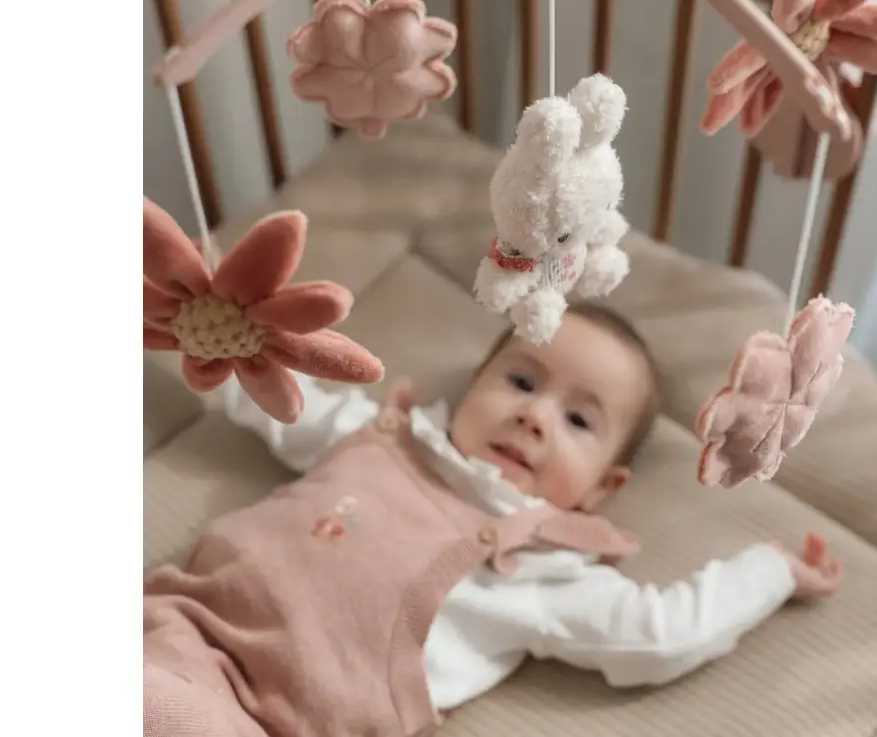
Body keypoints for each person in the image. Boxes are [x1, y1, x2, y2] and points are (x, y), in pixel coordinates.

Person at [144, 302, 841, 737]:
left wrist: (771, 572)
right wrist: (218, 330)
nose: (534, 416)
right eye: (522, 381)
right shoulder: (376, 435)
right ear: (472, 388)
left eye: (578, 421)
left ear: (603, 488)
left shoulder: (541, 570)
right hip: (183, 629)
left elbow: (661, 633)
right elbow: (278, 400)